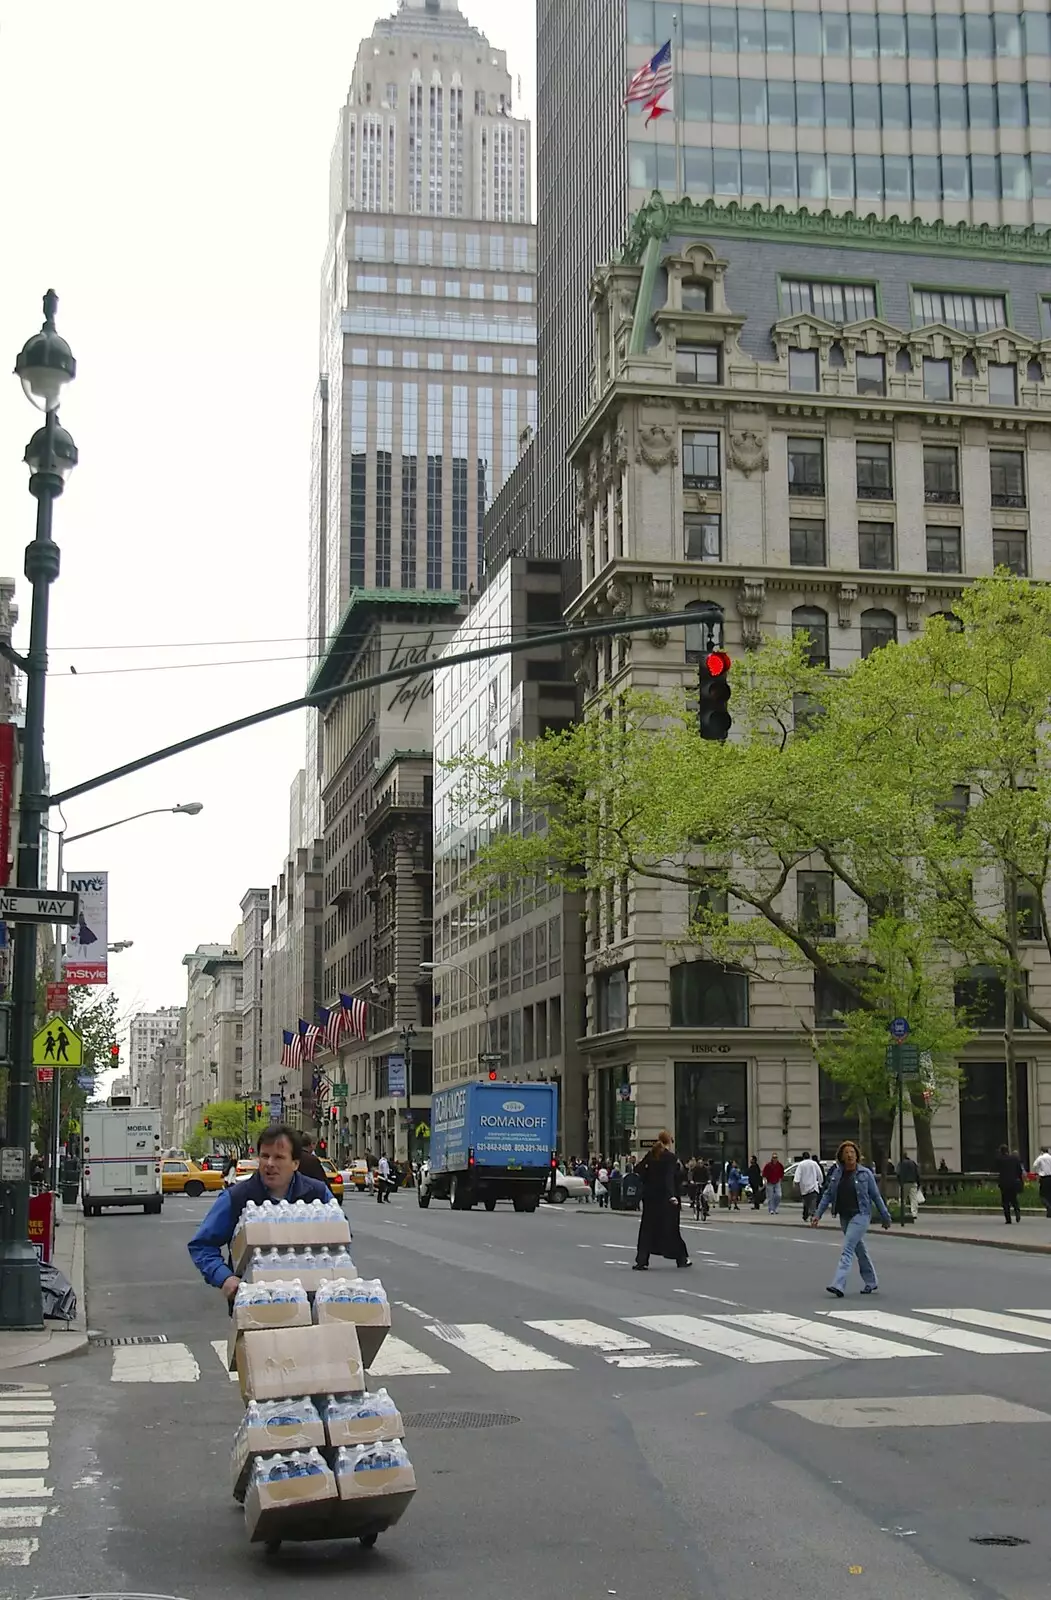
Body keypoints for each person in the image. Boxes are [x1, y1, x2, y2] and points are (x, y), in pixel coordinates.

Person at [188, 1124, 332, 1301]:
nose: (270, 1164)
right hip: (256, 1303)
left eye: (279, 1157)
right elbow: (202, 1245)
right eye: (265, 1156)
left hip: (312, 1301)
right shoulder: (237, 1197)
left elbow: (341, 1235)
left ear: (295, 1163)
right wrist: (224, 1278)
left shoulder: (317, 1193)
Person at [811, 1140, 892, 1297]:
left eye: (852, 1152)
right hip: (845, 1216)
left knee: (847, 1248)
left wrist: (885, 1216)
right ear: (841, 1156)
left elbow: (876, 1196)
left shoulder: (865, 1174)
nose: (850, 1155)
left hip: (861, 1215)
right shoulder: (837, 1174)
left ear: (857, 1156)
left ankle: (838, 1284)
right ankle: (871, 1281)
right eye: (846, 1153)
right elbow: (828, 1195)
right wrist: (817, 1215)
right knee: (859, 1249)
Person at [632, 1130, 690, 1271]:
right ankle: (681, 1258)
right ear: (669, 1141)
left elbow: (638, 1169)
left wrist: (647, 1178)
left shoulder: (651, 1155)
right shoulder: (670, 1157)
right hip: (665, 1199)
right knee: (670, 1229)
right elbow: (668, 1178)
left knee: (647, 1229)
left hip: (650, 1198)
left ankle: (642, 1260)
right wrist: (672, 1195)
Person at [994, 1143, 1025, 1224]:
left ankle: (1008, 1219)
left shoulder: (999, 1159)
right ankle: (1017, 1212)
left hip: (1004, 1183)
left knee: (1005, 1202)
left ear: (1001, 1151)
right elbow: (1019, 1170)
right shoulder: (1014, 1158)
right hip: (1013, 1182)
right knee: (1014, 1199)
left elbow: (995, 1169)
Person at [794, 1151, 824, 1222]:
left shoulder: (801, 1164)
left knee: (806, 1202)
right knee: (813, 1201)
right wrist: (820, 1182)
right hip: (813, 1186)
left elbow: (797, 1175)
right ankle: (812, 1214)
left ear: (803, 1157)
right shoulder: (814, 1163)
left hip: (804, 1187)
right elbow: (819, 1174)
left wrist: (796, 1182)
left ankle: (805, 1215)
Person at [896, 1151, 921, 1222]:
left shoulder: (900, 1164)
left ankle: (901, 1212)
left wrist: (900, 1182)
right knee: (914, 1199)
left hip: (904, 1183)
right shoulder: (913, 1163)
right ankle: (914, 1213)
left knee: (902, 1199)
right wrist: (918, 1183)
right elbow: (917, 1173)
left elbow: (898, 1173)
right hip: (913, 1182)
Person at [762, 1150, 785, 1215]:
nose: (775, 1159)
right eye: (774, 1157)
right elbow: (764, 1173)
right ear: (772, 1158)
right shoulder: (768, 1165)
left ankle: (776, 1207)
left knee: (779, 1195)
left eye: (776, 1157)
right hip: (769, 1182)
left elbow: (782, 1173)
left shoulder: (779, 1165)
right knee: (770, 1196)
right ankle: (771, 1209)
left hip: (777, 1181)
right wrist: (765, 1180)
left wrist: (781, 1179)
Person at [1033, 1145, 1051, 1218]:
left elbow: (1034, 1165)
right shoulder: (1050, 1157)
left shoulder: (1041, 1157)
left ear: (1041, 1151)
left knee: (1042, 1195)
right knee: (1050, 1195)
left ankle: (1048, 1207)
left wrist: (1039, 1171)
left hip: (1044, 1178)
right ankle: (1049, 1213)